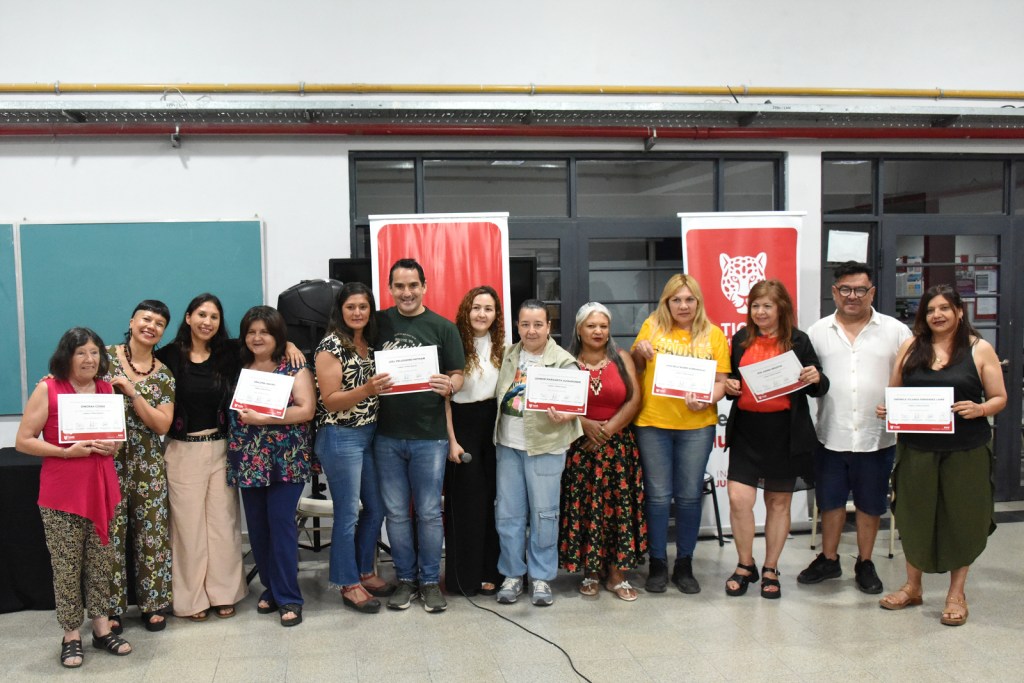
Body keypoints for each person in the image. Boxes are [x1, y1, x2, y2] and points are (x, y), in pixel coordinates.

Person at [877, 284, 1006, 626]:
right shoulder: (911, 347)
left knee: (962, 519)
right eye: (931, 309)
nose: (937, 314)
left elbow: (999, 397)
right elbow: (894, 391)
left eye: (944, 308)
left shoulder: (979, 349)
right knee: (913, 515)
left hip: (966, 451)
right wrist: (887, 409)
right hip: (916, 449)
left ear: (959, 312)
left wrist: (980, 409)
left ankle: (956, 594)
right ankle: (912, 587)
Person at [16, 328, 132, 667]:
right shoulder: (48, 388)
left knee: (101, 564)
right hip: (62, 495)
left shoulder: (106, 389)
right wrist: (66, 452)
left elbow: (116, 440)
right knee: (66, 568)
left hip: (103, 490)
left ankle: (101, 629)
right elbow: (24, 440)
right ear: (66, 356)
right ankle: (70, 635)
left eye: (94, 352)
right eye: (81, 352)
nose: (89, 359)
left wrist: (113, 445)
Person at [799, 263, 910, 594]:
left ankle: (865, 562)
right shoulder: (817, 332)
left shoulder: (896, 331)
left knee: (870, 503)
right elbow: (805, 379)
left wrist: (903, 406)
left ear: (871, 292)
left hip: (877, 436)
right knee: (830, 501)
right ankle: (829, 559)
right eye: (845, 289)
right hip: (830, 434)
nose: (852, 296)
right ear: (835, 292)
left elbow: (912, 377)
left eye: (860, 290)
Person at [723, 280, 828, 599]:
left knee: (778, 502)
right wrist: (730, 385)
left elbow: (819, 384)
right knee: (739, 499)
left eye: (767, 306)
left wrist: (816, 377)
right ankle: (745, 564)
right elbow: (732, 378)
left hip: (785, 433)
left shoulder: (799, 340)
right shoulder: (741, 338)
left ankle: (770, 567)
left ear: (781, 308)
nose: (760, 312)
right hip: (747, 431)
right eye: (755, 306)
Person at [374, 259, 466, 613]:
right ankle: (405, 580)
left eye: (413, 285)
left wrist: (450, 384)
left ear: (424, 286)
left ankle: (429, 581)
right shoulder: (378, 323)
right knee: (396, 514)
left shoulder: (443, 328)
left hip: (430, 436)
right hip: (386, 436)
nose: (407, 292)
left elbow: (458, 374)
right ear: (390, 288)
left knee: (428, 513)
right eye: (399, 286)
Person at [631, 274, 730, 594]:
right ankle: (658, 562)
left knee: (688, 497)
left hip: (696, 427)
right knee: (658, 497)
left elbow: (721, 383)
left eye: (689, 299)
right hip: (653, 424)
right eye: (676, 300)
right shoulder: (652, 326)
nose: (683, 305)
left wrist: (707, 398)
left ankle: (685, 563)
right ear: (667, 302)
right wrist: (639, 351)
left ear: (698, 302)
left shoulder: (713, 334)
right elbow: (635, 367)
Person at [156, 294, 248, 621]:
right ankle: (191, 599)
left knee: (224, 524)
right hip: (183, 450)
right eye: (201, 315)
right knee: (187, 528)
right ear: (188, 317)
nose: (207, 322)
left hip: (222, 447)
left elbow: (267, 342)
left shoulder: (229, 354)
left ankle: (225, 593)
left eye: (214, 316)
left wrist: (291, 345)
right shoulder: (168, 356)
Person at [227, 305, 317, 627]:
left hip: (286, 459)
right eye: (251, 332)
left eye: (265, 332)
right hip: (248, 458)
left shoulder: (294, 366)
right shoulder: (238, 366)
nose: (257, 337)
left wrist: (265, 418)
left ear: (278, 335)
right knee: (258, 528)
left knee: (281, 525)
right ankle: (271, 587)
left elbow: (306, 410)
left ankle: (290, 596)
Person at [493, 299, 582, 607]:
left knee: (545, 515)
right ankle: (512, 574)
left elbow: (575, 405)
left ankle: (541, 577)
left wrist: (568, 414)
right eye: (525, 324)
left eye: (538, 325)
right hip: (508, 446)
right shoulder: (508, 355)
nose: (531, 331)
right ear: (517, 326)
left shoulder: (564, 362)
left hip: (546, 446)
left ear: (549, 327)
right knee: (508, 514)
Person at [558, 302, 646, 601]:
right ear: (579, 330)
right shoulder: (566, 361)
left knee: (619, 511)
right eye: (591, 326)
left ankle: (617, 574)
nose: (598, 331)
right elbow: (557, 400)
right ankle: (591, 572)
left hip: (618, 448)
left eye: (603, 326)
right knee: (586, 510)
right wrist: (585, 425)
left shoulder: (622, 358)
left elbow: (634, 400)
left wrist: (606, 431)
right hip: (580, 447)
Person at [314, 283, 390, 614]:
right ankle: (347, 583)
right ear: (340, 311)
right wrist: (368, 388)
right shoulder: (331, 346)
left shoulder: (370, 343)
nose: (357, 312)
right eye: (350, 307)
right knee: (347, 514)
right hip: (339, 435)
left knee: (376, 507)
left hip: (370, 433)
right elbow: (331, 401)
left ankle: (363, 571)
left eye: (363, 306)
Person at [103, 300, 175, 633]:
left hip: (148, 462)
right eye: (146, 319)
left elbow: (162, 424)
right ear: (132, 322)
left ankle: (153, 604)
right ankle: (111, 608)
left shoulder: (164, 374)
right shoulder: (103, 357)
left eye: (159, 324)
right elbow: (73, 386)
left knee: (152, 534)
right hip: (106, 459)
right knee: (110, 535)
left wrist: (133, 393)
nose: (151, 326)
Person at [443, 285, 505, 597]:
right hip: (461, 428)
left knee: (494, 503)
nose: (482, 314)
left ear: (496, 314)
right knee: (467, 505)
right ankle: (463, 578)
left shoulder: (503, 347)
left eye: (488, 308)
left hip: (494, 428)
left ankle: (490, 572)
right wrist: (451, 440)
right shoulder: (452, 342)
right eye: (476, 307)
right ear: (466, 310)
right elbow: (443, 398)